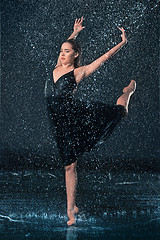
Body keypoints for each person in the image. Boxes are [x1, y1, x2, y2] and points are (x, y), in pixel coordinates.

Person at [45, 17, 136, 226]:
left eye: (67, 51)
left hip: (74, 117)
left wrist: (122, 43)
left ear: (75, 55)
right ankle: (72, 205)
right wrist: (74, 32)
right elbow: (66, 47)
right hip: (57, 122)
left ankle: (70, 211)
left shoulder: (77, 72)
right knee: (69, 164)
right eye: (61, 51)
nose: (62, 54)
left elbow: (103, 58)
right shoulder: (56, 67)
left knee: (70, 165)